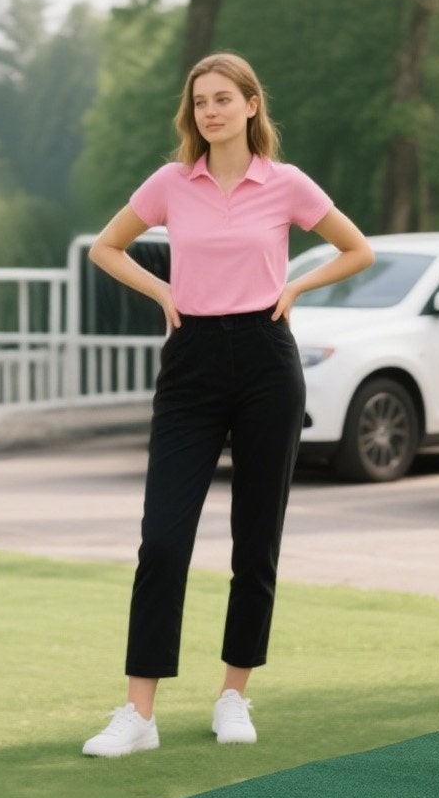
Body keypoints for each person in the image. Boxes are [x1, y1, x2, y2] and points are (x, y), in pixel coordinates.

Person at [80, 52, 373, 757]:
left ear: (249, 105)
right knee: (164, 538)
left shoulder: (287, 184)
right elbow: (107, 247)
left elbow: (356, 249)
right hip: (191, 361)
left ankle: (233, 694)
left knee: (255, 537)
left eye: (222, 99)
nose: (210, 111)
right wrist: (163, 293)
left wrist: (296, 289)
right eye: (200, 102)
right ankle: (138, 713)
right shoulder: (172, 183)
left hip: (268, 357)